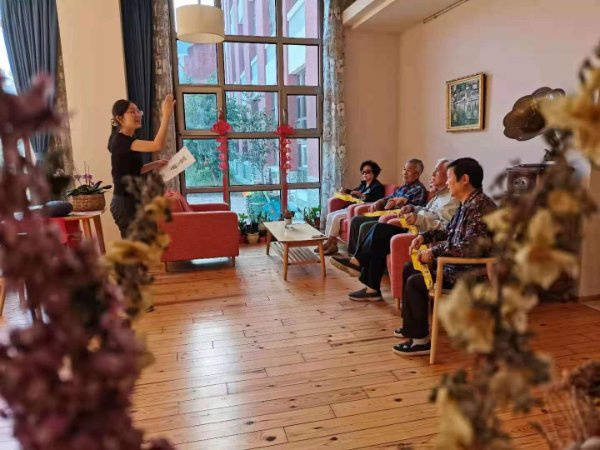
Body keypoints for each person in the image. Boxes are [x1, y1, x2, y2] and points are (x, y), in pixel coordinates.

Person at [393, 157, 496, 356]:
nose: (447, 183)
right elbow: (449, 232)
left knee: (415, 282)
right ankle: (412, 328)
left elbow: (470, 248)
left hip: (471, 273)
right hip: (457, 266)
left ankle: (420, 341)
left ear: (464, 179)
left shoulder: (480, 207)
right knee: (409, 268)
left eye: (449, 178)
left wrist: (433, 252)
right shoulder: (467, 203)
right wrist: (424, 237)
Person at [345, 158, 460, 300]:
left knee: (379, 231)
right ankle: (371, 288)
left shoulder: (452, 199)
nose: (432, 174)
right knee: (378, 233)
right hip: (413, 229)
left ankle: (358, 264)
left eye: (437, 171)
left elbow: (444, 227)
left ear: (449, 175)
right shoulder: (440, 195)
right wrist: (412, 208)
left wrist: (418, 219)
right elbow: (427, 210)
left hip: (422, 237)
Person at [332, 158, 428, 271]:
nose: (404, 173)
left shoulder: (419, 189)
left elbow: (413, 209)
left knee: (365, 226)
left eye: (408, 170)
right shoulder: (403, 187)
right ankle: (352, 257)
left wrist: (398, 203)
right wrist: (380, 201)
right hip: (384, 214)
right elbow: (390, 197)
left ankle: (360, 264)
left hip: (396, 220)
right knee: (356, 220)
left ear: (417, 174)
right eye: (404, 169)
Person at [108, 94, 175, 238]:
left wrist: (155, 164)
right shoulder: (120, 140)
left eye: (138, 111)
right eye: (132, 112)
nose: (138, 115)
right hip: (125, 203)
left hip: (132, 200)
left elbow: (134, 171)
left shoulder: (128, 140)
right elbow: (157, 145)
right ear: (120, 118)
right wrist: (166, 115)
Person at [321, 160, 385, 255]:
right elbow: (354, 191)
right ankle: (329, 242)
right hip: (352, 207)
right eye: (363, 172)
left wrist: (361, 195)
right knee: (330, 215)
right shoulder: (363, 184)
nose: (364, 174)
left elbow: (373, 201)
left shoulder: (378, 187)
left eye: (367, 172)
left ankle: (331, 243)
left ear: (374, 172)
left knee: (336, 217)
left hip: (360, 209)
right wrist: (346, 190)